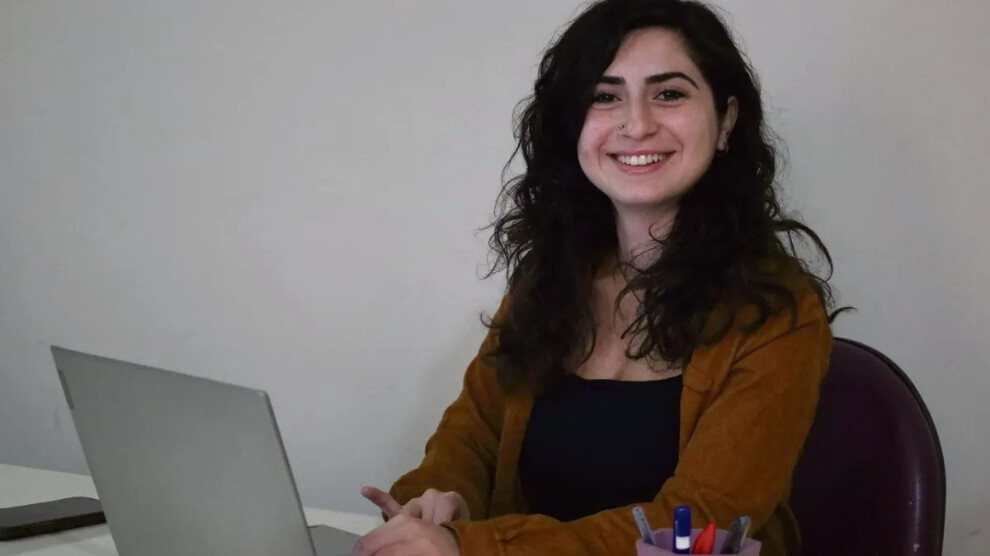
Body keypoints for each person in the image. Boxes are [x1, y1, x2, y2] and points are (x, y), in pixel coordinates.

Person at [352, 1, 842, 555]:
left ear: (726, 120)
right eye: (605, 97)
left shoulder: (777, 312)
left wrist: (473, 548)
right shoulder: (552, 275)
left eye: (669, 93)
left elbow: (698, 527)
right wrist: (442, 501)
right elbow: (474, 433)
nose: (637, 124)